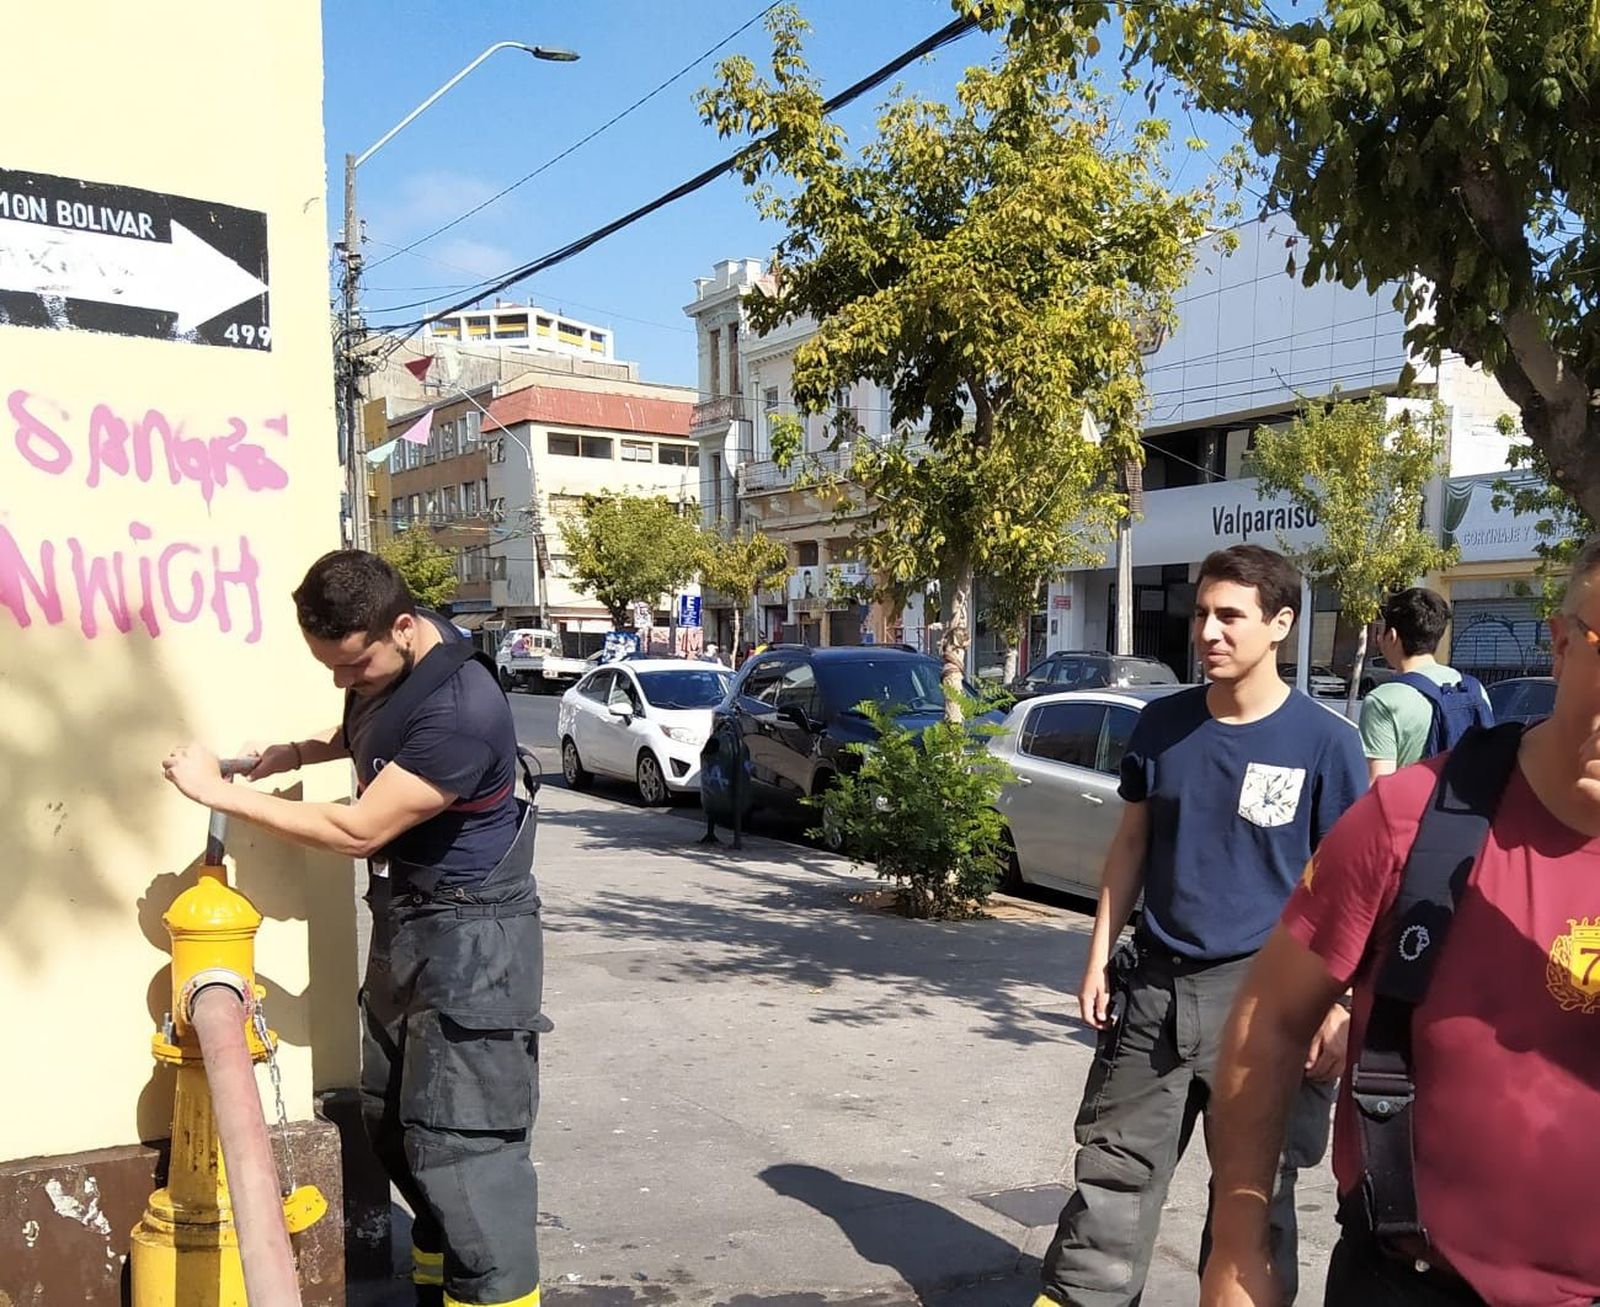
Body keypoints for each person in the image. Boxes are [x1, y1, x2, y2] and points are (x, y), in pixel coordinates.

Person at [1199, 541, 1600, 1307]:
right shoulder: (1409, 819)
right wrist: (1238, 1242)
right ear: (1559, 642)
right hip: (1413, 1282)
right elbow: (1269, 1017)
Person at [161, 550, 548, 1307]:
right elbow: (372, 726)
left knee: (466, 1156)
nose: (343, 681)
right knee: (394, 1122)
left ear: (401, 628)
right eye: (329, 667)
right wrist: (297, 752)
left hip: (478, 944)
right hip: (409, 922)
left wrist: (215, 793)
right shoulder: (395, 657)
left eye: (352, 665)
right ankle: (437, 1285)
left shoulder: (466, 710)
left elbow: (358, 828)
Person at [1036, 544, 1367, 1307]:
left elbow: (1354, 891)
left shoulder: (1327, 744)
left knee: (1252, 1206)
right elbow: (1132, 844)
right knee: (1108, 1182)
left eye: (1230, 616)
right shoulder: (1163, 725)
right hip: (1152, 991)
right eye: (1202, 615)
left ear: (1280, 623)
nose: (1209, 631)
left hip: (1268, 1005)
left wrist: (1340, 1005)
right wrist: (1096, 955)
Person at [1358, 587, 1492, 781]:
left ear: (1392, 636)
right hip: (1472, 809)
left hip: (1412, 810)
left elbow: (1378, 786)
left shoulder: (1382, 701)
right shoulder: (1474, 688)